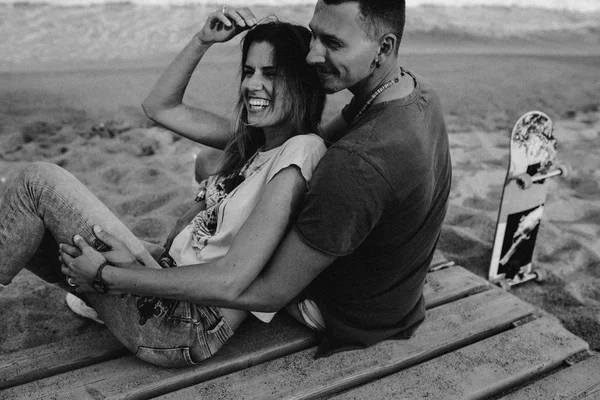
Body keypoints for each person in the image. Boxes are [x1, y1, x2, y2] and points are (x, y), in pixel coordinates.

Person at [65, 0, 451, 357]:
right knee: (214, 163)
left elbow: (265, 291)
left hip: (341, 312)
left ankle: (153, 271)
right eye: (314, 34)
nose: (314, 54)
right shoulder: (410, 92)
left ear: (383, 48)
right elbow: (162, 108)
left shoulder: (356, 163)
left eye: (332, 43)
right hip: (395, 297)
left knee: (234, 196)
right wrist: (203, 41)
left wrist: (118, 277)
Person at [0, 11, 326, 367]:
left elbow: (231, 279)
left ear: (303, 83)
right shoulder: (253, 142)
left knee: (38, 183)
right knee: (35, 223)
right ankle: (101, 303)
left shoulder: (301, 151)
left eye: (272, 74)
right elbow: (159, 107)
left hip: (184, 324)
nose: (252, 85)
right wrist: (202, 40)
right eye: (249, 71)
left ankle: (101, 299)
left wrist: (109, 277)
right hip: (165, 273)